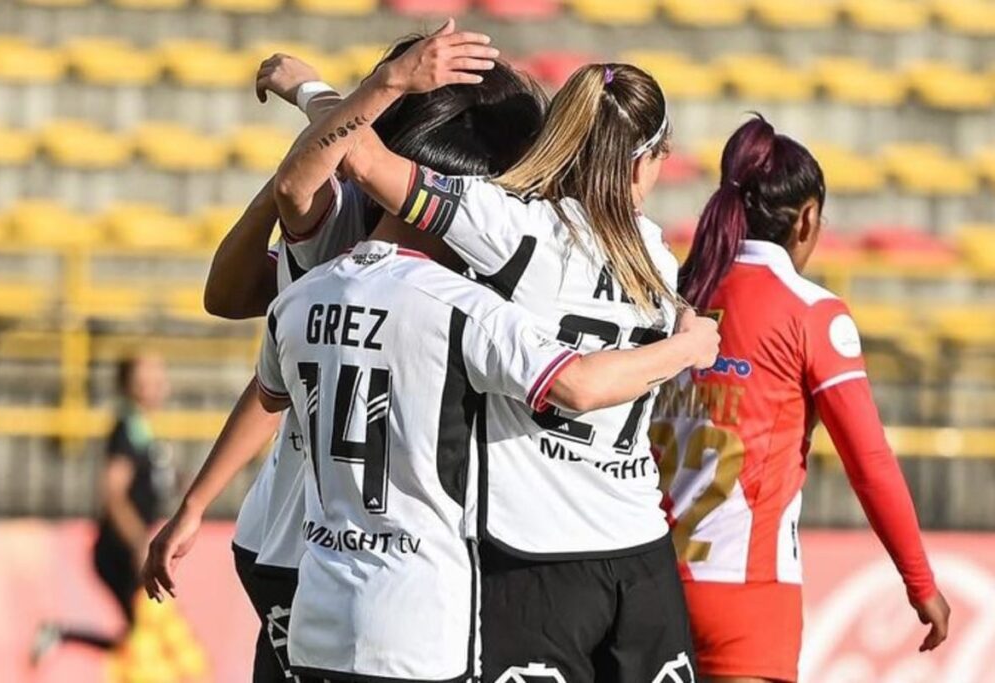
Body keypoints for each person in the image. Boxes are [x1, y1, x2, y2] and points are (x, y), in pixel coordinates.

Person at [272, 29, 717, 682]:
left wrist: (311, 86)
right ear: (645, 162)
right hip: (639, 549)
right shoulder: (659, 258)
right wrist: (688, 346)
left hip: (530, 556)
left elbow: (360, 161)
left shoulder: (513, 230)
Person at [143, 27, 548, 683]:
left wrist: (315, 100)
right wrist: (341, 106)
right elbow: (278, 230)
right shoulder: (354, 224)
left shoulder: (443, 238)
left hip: (352, 537)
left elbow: (273, 377)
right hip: (315, 538)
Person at [651, 114, 951, 683]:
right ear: (808, 217)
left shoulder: (674, 296)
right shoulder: (812, 312)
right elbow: (869, 464)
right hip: (747, 597)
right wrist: (921, 584)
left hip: (645, 584)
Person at [33, 354, 171, 663]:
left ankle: (61, 635)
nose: (161, 386)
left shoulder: (141, 430)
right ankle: (61, 634)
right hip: (119, 551)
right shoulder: (126, 430)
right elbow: (113, 493)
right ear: (132, 386)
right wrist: (139, 543)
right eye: (151, 379)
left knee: (138, 640)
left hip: (126, 549)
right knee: (143, 642)